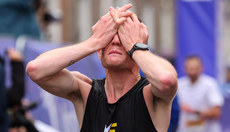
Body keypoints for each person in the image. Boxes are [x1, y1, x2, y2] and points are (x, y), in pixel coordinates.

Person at [26, 4, 178, 132]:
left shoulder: (151, 95)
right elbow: (36, 70)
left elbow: (166, 80)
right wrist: (94, 41)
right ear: (100, 51)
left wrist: (136, 46)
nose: (116, 41)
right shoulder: (85, 91)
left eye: (123, 35)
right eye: (110, 36)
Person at [177, 55, 224, 132]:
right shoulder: (179, 84)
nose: (192, 70)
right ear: (184, 69)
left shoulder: (210, 84)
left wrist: (194, 111)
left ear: (202, 68)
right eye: (189, 68)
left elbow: (216, 113)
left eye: (195, 68)